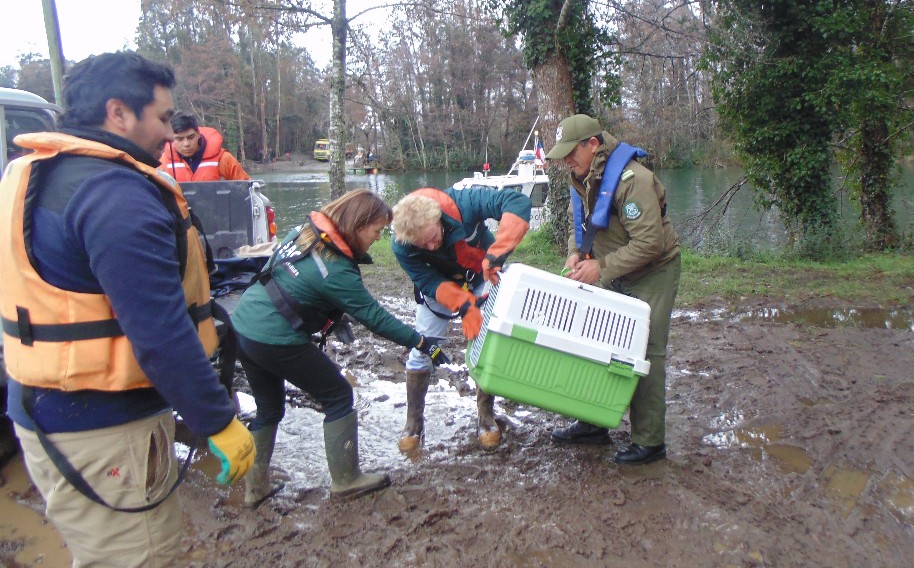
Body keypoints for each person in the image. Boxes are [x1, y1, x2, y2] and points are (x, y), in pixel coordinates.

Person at [0, 51, 254, 567]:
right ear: (119, 112)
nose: (169, 133)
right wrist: (217, 421)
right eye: (162, 118)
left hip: (39, 411)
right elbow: (158, 329)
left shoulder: (32, 174)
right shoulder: (115, 194)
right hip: (106, 431)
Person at [232, 189, 448, 506]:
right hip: (276, 338)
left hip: (244, 327)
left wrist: (332, 316)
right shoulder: (338, 269)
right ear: (359, 224)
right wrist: (420, 341)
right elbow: (375, 317)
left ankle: (255, 489)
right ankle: (347, 480)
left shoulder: (306, 232)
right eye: (376, 232)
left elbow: (293, 280)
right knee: (338, 396)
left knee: (269, 409)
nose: (376, 239)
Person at [545, 114, 681, 465]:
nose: (566, 161)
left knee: (645, 351)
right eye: (562, 155)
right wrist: (577, 253)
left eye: (571, 152)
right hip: (611, 270)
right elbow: (583, 224)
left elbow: (651, 242)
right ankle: (593, 424)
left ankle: (650, 442)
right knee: (594, 342)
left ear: (593, 144)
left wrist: (600, 268)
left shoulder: (633, 180)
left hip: (653, 272)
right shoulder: (583, 175)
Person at [391, 186, 531, 450]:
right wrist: (464, 306)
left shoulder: (465, 202)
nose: (432, 246)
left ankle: (486, 415)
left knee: (487, 341)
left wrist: (497, 252)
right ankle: (413, 423)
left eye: (433, 237)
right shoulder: (402, 245)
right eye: (424, 245)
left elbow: (516, 201)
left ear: (438, 218)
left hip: (483, 273)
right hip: (441, 288)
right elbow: (426, 280)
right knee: (423, 346)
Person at [159, 112, 251, 181]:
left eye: (191, 137)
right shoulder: (163, 164)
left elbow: (247, 189)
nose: (186, 144)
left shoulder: (223, 159)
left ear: (198, 134)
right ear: (171, 138)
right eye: (179, 139)